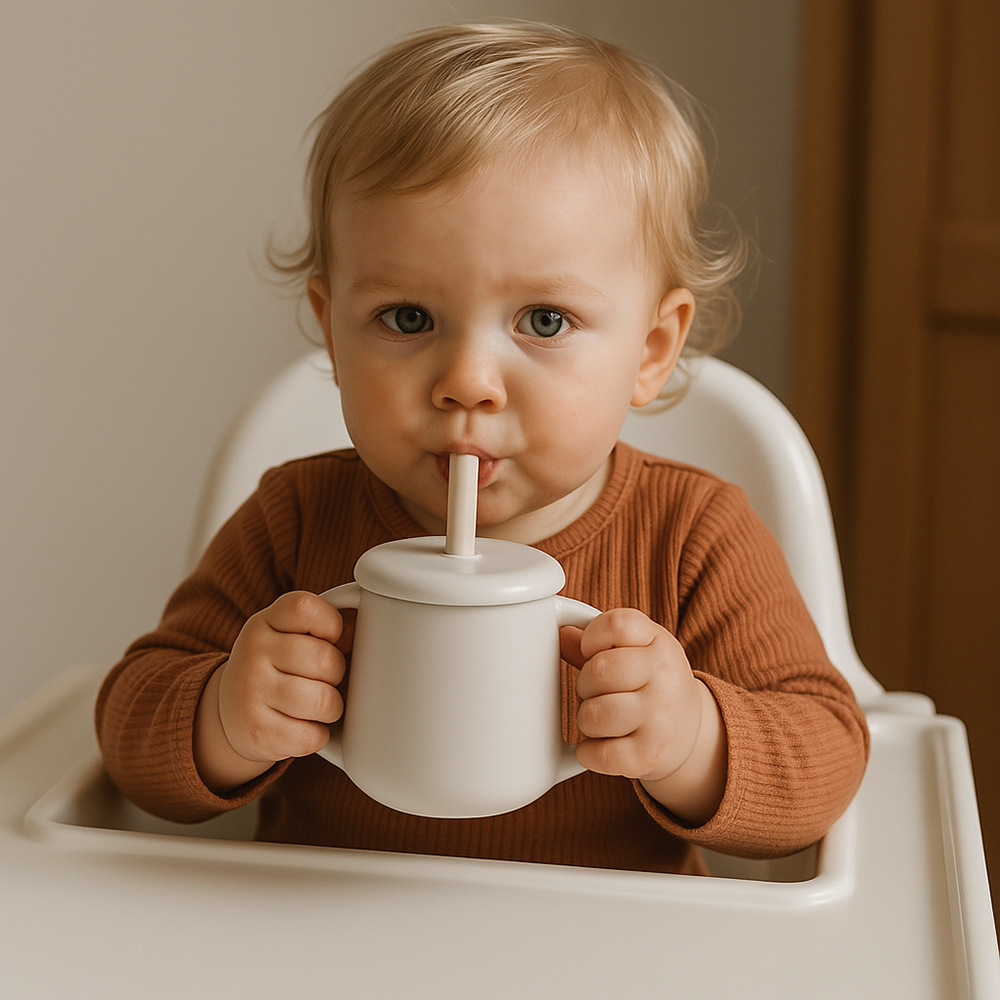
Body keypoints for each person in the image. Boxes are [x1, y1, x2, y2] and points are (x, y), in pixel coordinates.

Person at [96, 22, 868, 875]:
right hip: (323, 946)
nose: (466, 380)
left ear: (652, 350)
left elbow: (826, 760)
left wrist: (693, 738)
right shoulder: (295, 516)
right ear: (330, 332)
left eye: (544, 321)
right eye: (407, 318)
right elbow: (131, 735)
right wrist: (224, 716)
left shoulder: (693, 534)